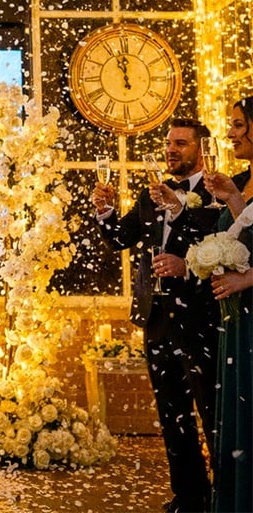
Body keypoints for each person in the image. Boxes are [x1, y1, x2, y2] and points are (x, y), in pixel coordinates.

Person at [91, 118, 221, 513]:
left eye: (181, 143)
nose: (171, 150)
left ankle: (227, 497)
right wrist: (105, 212)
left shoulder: (217, 192)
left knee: (213, 414)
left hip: (202, 318)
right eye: (168, 144)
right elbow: (121, 238)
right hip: (157, 318)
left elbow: (219, 244)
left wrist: (181, 214)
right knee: (172, 414)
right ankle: (189, 496)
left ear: (201, 149)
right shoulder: (151, 196)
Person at [201, 97, 253, 513]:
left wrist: (248, 278)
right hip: (240, 320)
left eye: (238, 125)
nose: (232, 132)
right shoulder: (245, 179)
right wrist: (234, 197)